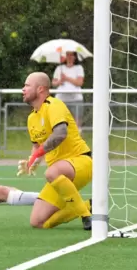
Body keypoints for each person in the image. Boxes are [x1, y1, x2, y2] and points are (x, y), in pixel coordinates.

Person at [21, 72, 92, 230]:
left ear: (40, 89)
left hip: (81, 161)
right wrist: (31, 161)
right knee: (38, 222)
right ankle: (88, 206)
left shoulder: (54, 105)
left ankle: (86, 217)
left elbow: (60, 134)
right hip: (58, 173)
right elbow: (37, 146)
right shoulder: (31, 118)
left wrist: (38, 154)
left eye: (27, 85)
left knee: (51, 173)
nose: (23, 89)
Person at [52, 51, 85, 132]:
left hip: (76, 99)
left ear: (75, 57)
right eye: (68, 55)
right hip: (61, 99)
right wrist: (59, 81)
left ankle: (77, 138)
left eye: (72, 55)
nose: (70, 57)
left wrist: (67, 78)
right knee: (59, 120)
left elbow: (79, 82)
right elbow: (53, 83)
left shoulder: (79, 68)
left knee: (77, 121)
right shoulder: (59, 68)